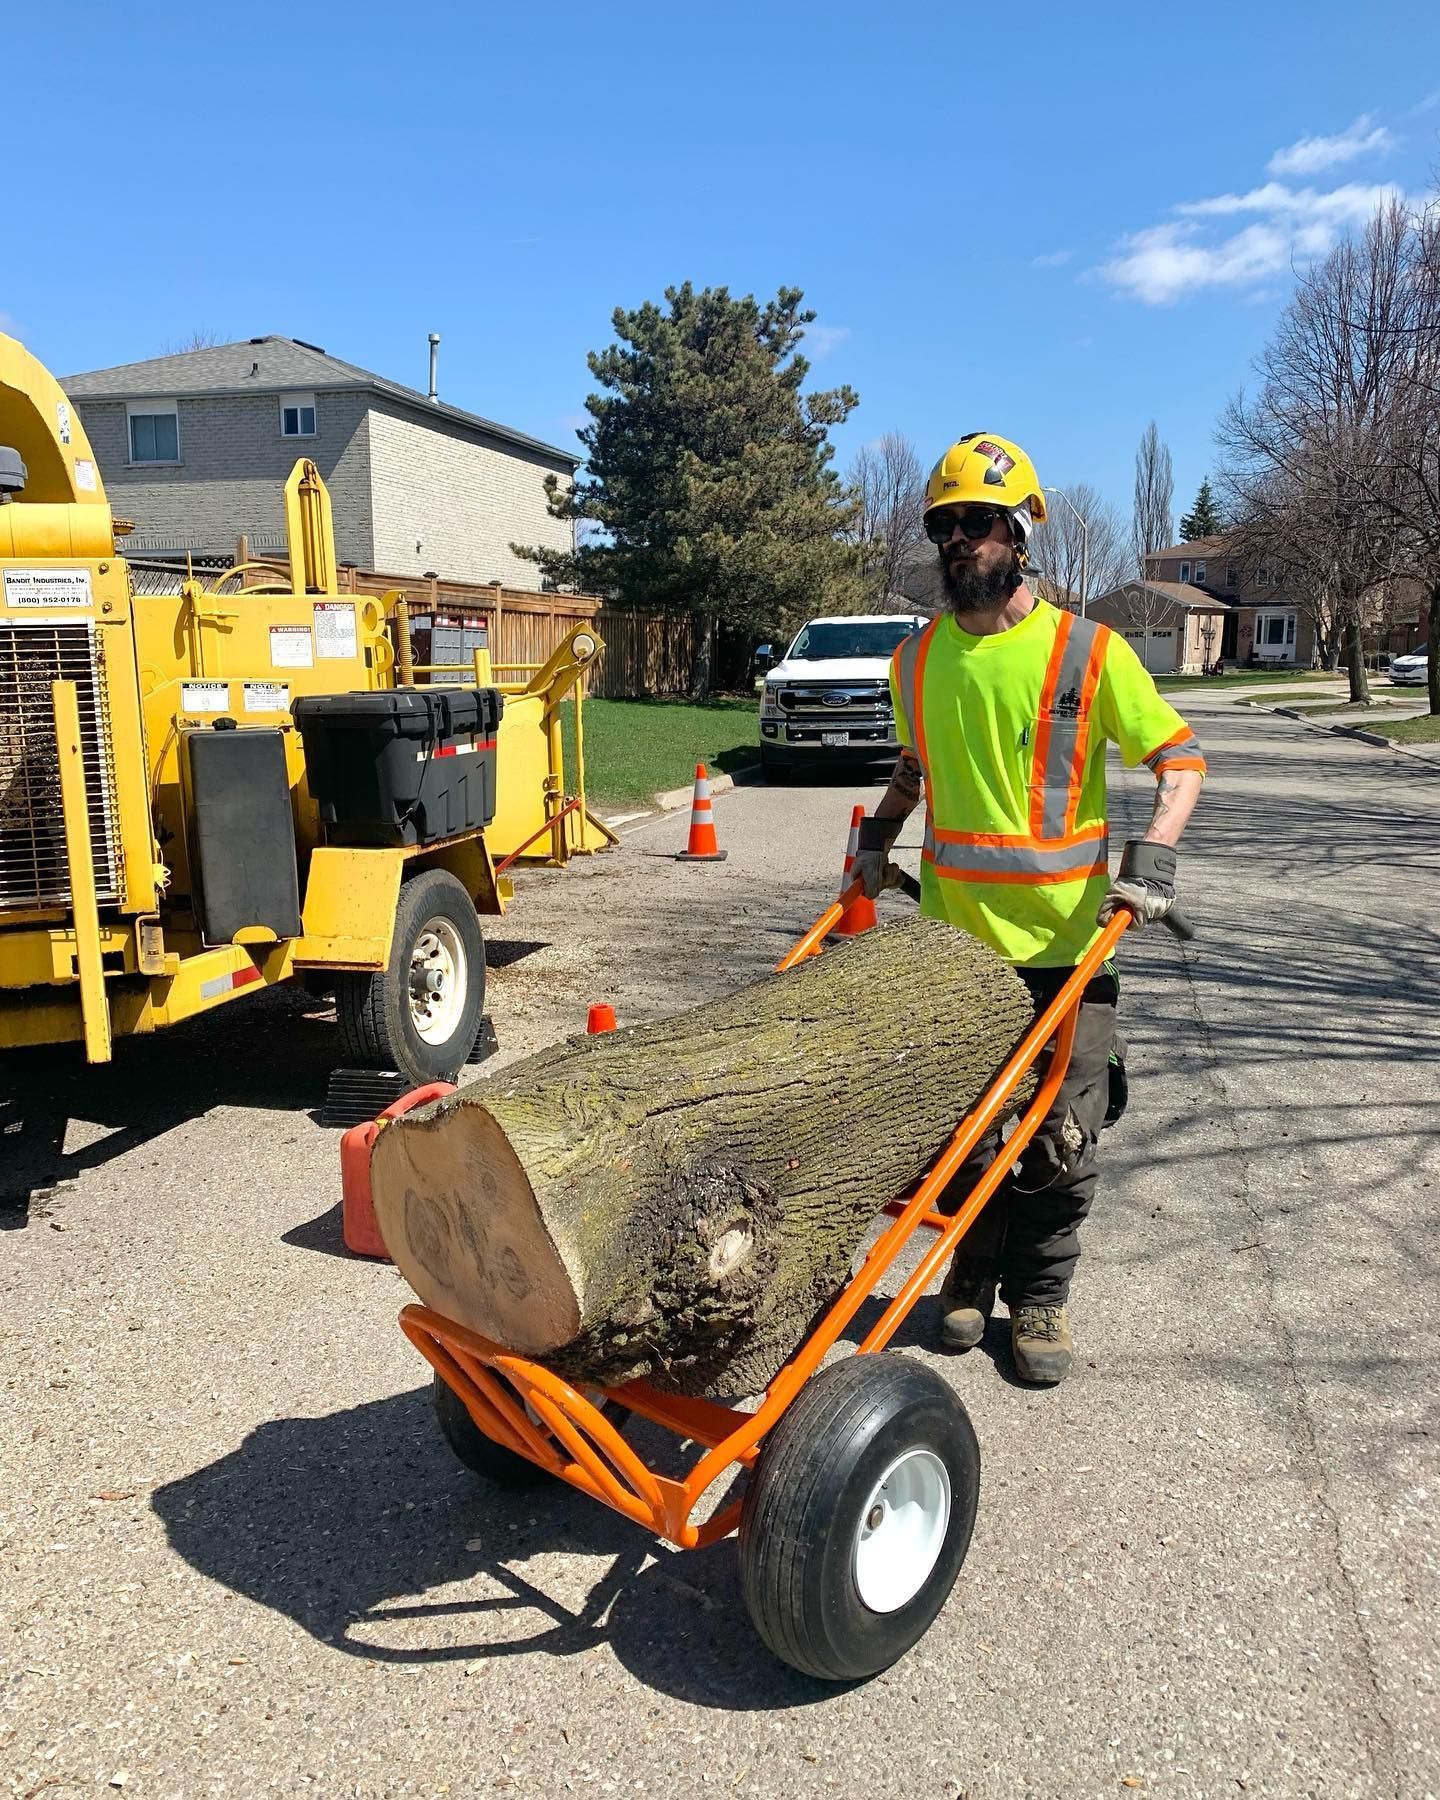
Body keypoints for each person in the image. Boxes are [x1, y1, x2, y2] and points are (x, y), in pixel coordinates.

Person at [852, 433, 1205, 1385]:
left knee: (1062, 1136)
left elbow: (1181, 765)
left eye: (976, 523)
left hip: (1072, 948)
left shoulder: (1091, 652)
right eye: (944, 526)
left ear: (1019, 532)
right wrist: (873, 843)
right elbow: (916, 769)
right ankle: (969, 1273)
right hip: (954, 954)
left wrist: (1155, 860)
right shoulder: (915, 662)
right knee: (958, 1135)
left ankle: (1039, 1298)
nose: (958, 540)